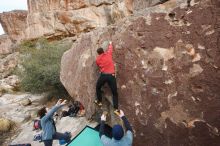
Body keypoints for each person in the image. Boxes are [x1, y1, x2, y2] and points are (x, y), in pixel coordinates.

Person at [95, 41, 119, 114]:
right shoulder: (108, 54)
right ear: (103, 51)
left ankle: (99, 101)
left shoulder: (97, 59)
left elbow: (99, 66)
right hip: (111, 76)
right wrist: (111, 43)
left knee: (98, 87)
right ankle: (116, 109)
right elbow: (110, 49)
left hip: (104, 76)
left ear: (98, 53)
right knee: (114, 93)